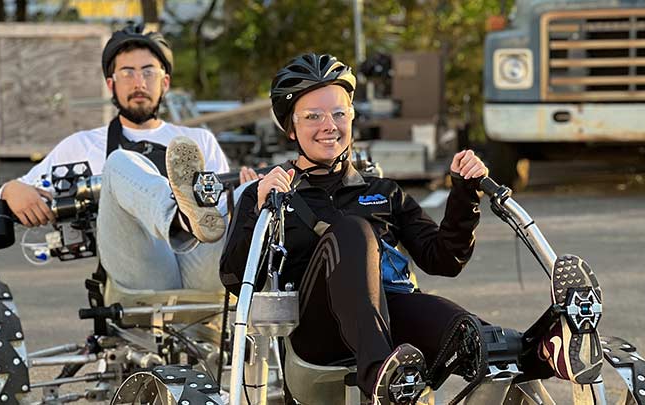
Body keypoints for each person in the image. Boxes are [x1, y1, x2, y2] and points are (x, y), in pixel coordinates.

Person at [219, 53, 603, 404]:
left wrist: (464, 194)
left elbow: (445, 259)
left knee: (460, 329)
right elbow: (235, 277)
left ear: (352, 117)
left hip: (392, 318)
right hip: (315, 337)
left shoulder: (382, 192)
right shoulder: (269, 193)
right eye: (313, 116)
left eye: (339, 113)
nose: (329, 126)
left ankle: (545, 349)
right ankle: (377, 375)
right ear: (291, 128)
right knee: (353, 233)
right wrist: (256, 205)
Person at [0, 24, 256, 291]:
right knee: (120, 162)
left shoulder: (197, 142)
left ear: (165, 82)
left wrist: (247, 195)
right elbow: (2, 200)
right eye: (128, 73)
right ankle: (179, 219)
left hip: (201, 271)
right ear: (111, 84)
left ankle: (191, 217)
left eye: (148, 72)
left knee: (250, 191)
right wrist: (11, 189)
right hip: (142, 271)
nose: (139, 82)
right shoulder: (83, 145)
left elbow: (219, 217)